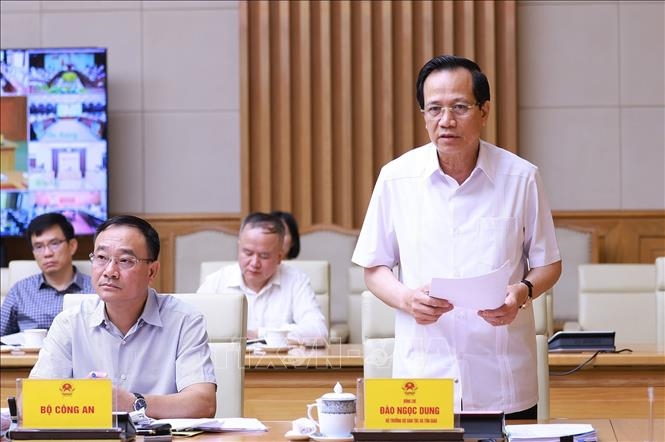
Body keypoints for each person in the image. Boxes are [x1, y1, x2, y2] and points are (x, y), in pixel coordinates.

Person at [352, 55, 562, 419]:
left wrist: (522, 292)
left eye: (460, 107)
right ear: (423, 115)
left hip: (502, 377)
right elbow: (374, 268)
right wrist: (406, 299)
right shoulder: (396, 178)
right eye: (434, 108)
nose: (446, 120)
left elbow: (549, 264)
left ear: (484, 111)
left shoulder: (521, 178)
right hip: (422, 379)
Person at [30, 215, 217, 419]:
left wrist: (131, 403)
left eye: (126, 260)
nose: (110, 271)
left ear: (152, 271)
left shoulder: (184, 321)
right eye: (101, 257)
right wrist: (80, 399)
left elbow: (203, 403)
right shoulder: (68, 323)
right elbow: (32, 400)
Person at [198, 212, 327, 345]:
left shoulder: (296, 281)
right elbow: (193, 327)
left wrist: (259, 334)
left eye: (264, 256)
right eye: (248, 253)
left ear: (279, 257)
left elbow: (318, 331)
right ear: (239, 247)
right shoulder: (216, 282)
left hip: (279, 358)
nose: (254, 263)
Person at [0, 212, 94, 337]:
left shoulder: (96, 289)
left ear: (72, 246)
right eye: (38, 246)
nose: (47, 253)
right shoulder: (20, 291)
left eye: (54, 243)